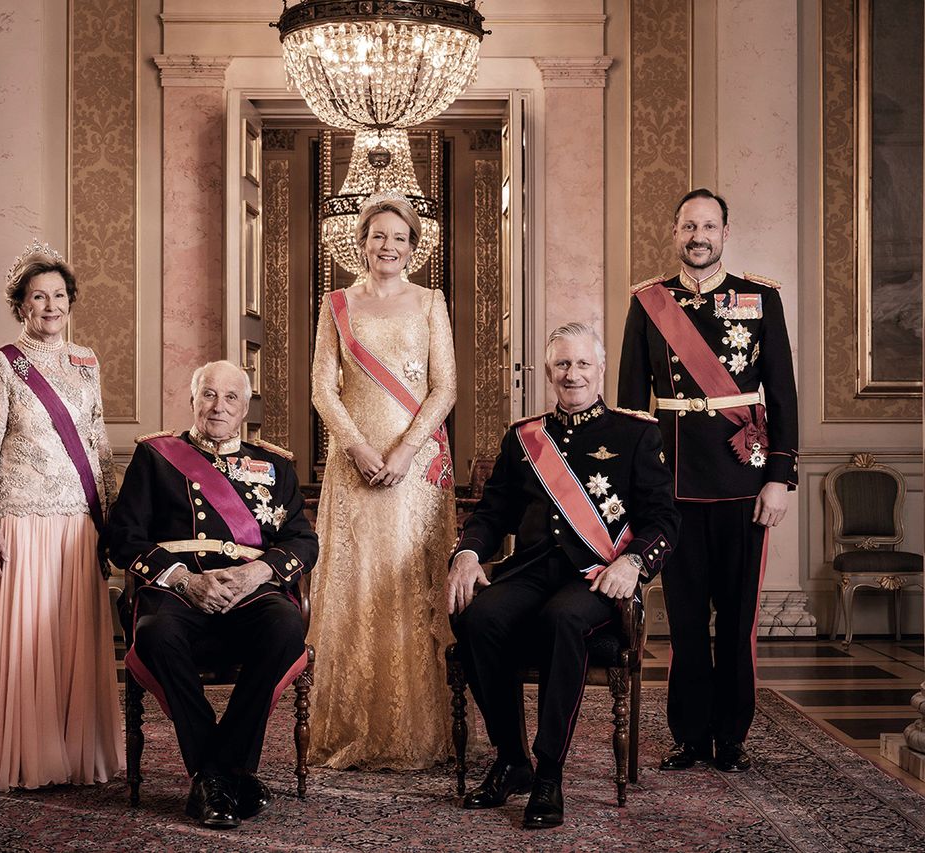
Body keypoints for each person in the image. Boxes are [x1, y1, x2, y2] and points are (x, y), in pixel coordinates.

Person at [449, 322, 680, 829]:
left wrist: (633, 563)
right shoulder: (524, 438)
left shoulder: (636, 434)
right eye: (562, 364)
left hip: (597, 576)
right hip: (533, 569)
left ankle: (549, 772)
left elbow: (664, 520)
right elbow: (492, 513)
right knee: (477, 618)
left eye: (582, 364)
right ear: (549, 372)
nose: (572, 374)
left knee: (563, 620)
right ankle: (513, 761)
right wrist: (467, 553)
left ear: (600, 369)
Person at [618, 188, 799, 774]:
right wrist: (635, 486)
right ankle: (690, 736)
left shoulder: (761, 298)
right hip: (673, 483)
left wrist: (780, 478)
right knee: (686, 617)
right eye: (689, 226)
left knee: (738, 619)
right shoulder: (649, 303)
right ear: (675, 232)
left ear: (725, 233)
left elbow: (783, 394)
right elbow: (631, 405)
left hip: (743, 479)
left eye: (709, 226)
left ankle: (732, 736)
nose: (699, 236)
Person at [102, 360, 318, 830]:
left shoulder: (276, 466)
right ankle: (229, 775)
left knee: (285, 626)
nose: (219, 407)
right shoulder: (156, 457)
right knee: (155, 633)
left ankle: (214, 773)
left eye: (231, 398)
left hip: (249, 593)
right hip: (178, 592)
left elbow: (303, 541)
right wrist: (184, 580)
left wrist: (258, 572)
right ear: (193, 400)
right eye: (209, 395)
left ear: (245, 408)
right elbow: (124, 538)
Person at [0, 240, 122, 791]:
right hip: (22, 522)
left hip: (78, 523)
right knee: (27, 642)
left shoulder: (86, 361)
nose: (51, 306)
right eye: (39, 297)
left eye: (59, 296)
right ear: (20, 305)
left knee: (69, 639)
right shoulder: (2, 364)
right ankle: (24, 755)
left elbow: (99, 443)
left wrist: (111, 520)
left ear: (71, 301)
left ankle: (74, 751)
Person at [307, 191, 459, 770]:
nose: (388, 246)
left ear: (413, 247)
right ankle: (349, 727)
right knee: (357, 585)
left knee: (408, 586)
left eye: (399, 237)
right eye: (378, 236)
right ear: (361, 243)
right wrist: (359, 448)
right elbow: (323, 389)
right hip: (354, 467)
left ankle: (414, 730)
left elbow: (445, 388)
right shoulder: (337, 305)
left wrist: (404, 451)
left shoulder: (431, 302)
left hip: (416, 471)